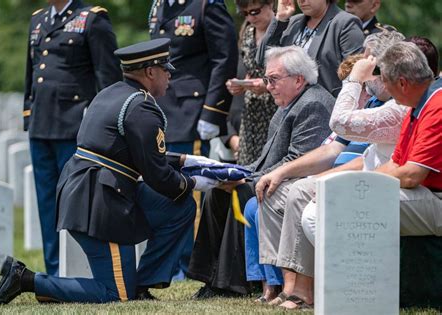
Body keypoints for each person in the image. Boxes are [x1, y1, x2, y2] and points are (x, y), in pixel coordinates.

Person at [0, 38, 220, 305]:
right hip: (99, 203)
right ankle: (26, 279)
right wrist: (196, 182)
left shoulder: (113, 94)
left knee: (179, 208)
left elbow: (124, 152)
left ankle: (143, 283)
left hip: (97, 191)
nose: (169, 74)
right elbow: (158, 176)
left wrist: (182, 160)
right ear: (149, 72)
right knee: (114, 294)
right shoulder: (142, 107)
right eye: (164, 68)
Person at [273, 40, 442, 310]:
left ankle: (357, 290)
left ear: (402, 83)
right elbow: (395, 164)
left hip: (435, 200)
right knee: (330, 205)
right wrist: (347, 186)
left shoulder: (436, 105)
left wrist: (354, 191)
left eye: (385, 82)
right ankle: (355, 289)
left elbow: (411, 175)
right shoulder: (417, 105)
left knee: (337, 211)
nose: (384, 89)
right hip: (425, 194)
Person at [249, 30, 405, 308]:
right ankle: (288, 286)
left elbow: (342, 126)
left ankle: (304, 291)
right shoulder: (371, 99)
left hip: (361, 181)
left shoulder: (394, 105)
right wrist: (281, 172)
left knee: (297, 192)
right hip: (343, 174)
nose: (364, 65)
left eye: (370, 62)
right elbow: (332, 148)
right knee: (273, 190)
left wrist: (354, 81)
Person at [187, 45, 335, 298]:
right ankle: (209, 277)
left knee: (241, 192)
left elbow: (298, 159)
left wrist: (247, 178)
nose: (268, 86)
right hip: (276, 177)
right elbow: (268, 159)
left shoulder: (314, 104)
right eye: (267, 79)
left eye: (273, 79)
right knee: (216, 192)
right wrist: (233, 172)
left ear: (298, 79)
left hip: (299, 182)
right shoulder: (290, 102)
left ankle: (231, 283)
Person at [23, 0, 122, 276]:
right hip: (41, 125)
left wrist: (109, 123)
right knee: (46, 203)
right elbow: (32, 73)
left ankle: (81, 268)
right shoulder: (38, 19)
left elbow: (108, 76)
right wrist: (28, 115)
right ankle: (55, 269)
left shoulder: (92, 18)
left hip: (74, 125)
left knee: (75, 201)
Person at [148, 0, 238, 279]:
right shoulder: (159, 5)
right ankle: (173, 261)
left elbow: (225, 57)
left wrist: (213, 111)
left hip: (192, 109)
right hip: (163, 107)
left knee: (191, 188)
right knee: (166, 188)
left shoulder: (205, 5)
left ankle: (193, 265)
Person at [256, 0, 364, 97]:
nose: (302, 1)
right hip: (290, 108)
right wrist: (280, 19)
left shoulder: (345, 23)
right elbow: (262, 60)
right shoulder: (293, 22)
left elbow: (355, 75)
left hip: (326, 109)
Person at [225, 0, 277, 165]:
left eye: (255, 12)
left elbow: (293, 72)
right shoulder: (248, 33)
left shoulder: (284, 30)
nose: (251, 18)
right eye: (245, 14)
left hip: (276, 108)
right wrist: (236, 85)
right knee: (246, 171)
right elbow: (246, 70)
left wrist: (266, 83)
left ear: (270, 4)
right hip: (250, 114)